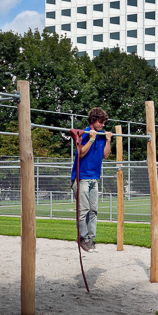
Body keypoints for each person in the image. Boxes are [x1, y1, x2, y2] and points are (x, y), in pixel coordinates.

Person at [71, 107, 112, 253]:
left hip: (94, 178)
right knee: (84, 210)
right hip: (82, 178)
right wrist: (92, 138)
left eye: (103, 123)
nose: (102, 125)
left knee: (93, 210)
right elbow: (80, 153)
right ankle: (82, 239)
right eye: (100, 122)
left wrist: (108, 140)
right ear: (93, 120)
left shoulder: (101, 135)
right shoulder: (85, 133)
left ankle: (90, 239)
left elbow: (105, 155)